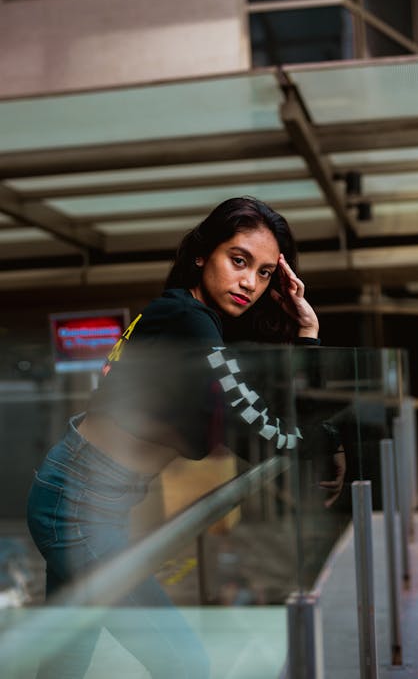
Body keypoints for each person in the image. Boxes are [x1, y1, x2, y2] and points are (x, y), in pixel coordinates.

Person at [26, 197, 345, 678]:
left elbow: (267, 405)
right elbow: (254, 425)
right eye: (239, 261)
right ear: (202, 254)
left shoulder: (193, 321)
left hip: (85, 495)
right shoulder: (188, 322)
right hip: (78, 503)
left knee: (66, 659)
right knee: (182, 661)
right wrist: (326, 440)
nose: (249, 283)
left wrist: (307, 327)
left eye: (263, 273)